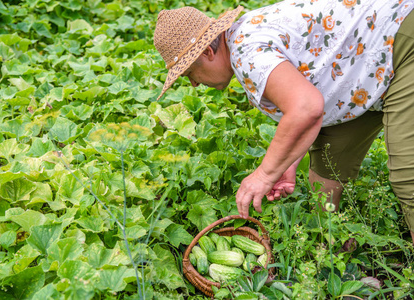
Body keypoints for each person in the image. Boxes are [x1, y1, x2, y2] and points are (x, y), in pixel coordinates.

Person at [153, 0, 414, 243]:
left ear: (209, 51)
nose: (194, 83)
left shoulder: (248, 55)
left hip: (401, 42)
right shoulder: (244, 37)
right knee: (325, 175)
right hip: (362, 67)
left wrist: (264, 174)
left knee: (407, 178)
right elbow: (307, 96)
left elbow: (307, 108)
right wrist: (287, 161)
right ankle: (333, 248)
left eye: (190, 73)